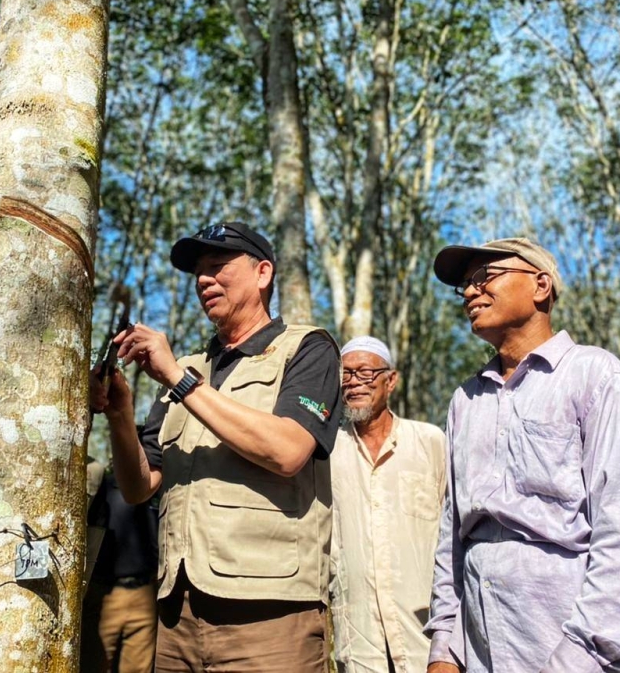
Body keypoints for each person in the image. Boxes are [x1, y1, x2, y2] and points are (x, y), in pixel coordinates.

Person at [425, 237, 620, 672]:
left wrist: (583, 658)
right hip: (488, 653)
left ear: (541, 285)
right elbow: (453, 534)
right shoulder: (465, 400)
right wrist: (445, 646)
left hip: (589, 655)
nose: (470, 291)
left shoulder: (595, 377)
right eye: (464, 285)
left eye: (484, 277)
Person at [91, 221, 342, 672]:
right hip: (177, 617)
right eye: (198, 272)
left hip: (270, 615)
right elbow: (139, 486)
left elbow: (287, 451)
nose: (204, 280)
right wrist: (120, 414)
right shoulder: (189, 367)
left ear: (263, 273)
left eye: (218, 266)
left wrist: (177, 379)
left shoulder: (307, 348)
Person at [329, 336, 446, 673]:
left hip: (425, 638)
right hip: (359, 641)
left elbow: (454, 535)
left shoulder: (429, 442)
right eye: (346, 374)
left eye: (365, 373)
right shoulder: (328, 452)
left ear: (390, 380)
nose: (354, 382)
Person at [81, 470, 159, 673]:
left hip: (144, 592)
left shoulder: (158, 488)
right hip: (105, 593)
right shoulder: (105, 486)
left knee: (139, 668)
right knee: (94, 665)